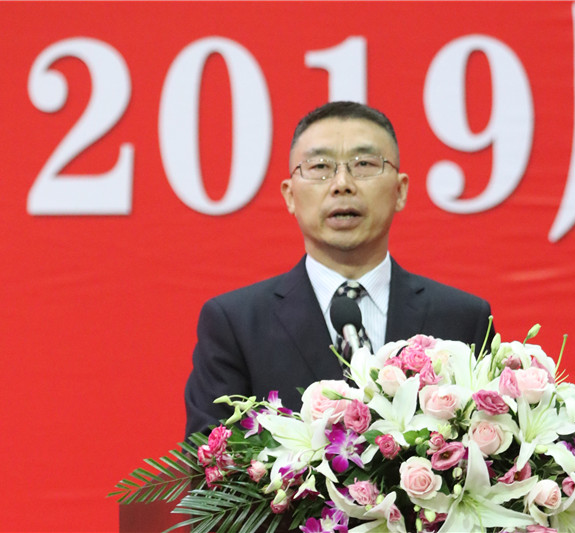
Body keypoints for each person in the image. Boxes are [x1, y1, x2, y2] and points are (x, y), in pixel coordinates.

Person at [184, 101, 494, 436]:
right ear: (290, 195)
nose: (342, 183)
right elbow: (210, 458)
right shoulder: (236, 324)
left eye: (364, 164)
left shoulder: (463, 320)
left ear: (400, 190)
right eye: (320, 166)